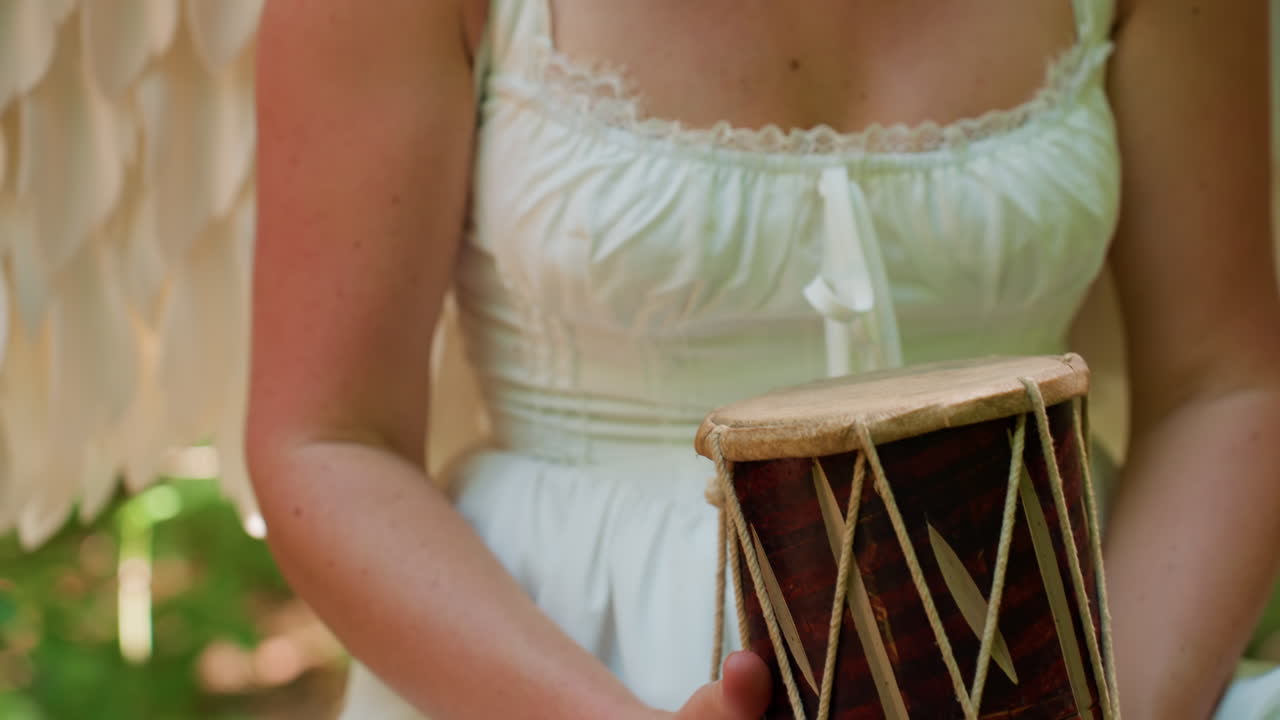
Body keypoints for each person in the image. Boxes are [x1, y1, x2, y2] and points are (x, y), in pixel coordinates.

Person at [246, 0, 1280, 718]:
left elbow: (1225, 385)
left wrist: (1111, 705)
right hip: (554, 662)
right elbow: (329, 441)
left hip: (1067, 638)